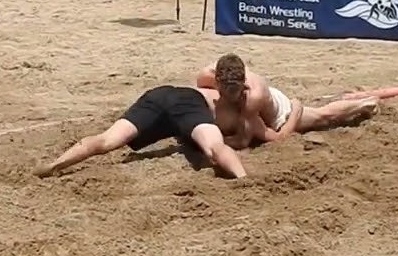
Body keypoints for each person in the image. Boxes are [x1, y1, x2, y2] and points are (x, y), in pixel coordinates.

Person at [33, 85, 247, 179]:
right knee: (214, 148)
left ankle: (55, 164)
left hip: (159, 95)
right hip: (189, 103)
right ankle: (243, 178)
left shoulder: (211, 84)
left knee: (106, 140)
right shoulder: (248, 100)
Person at [194, 54, 379, 146]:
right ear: (217, 81)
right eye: (227, 93)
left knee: (322, 116)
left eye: (236, 93)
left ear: (244, 84)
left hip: (279, 113)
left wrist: (295, 113)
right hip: (262, 100)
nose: (232, 98)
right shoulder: (206, 76)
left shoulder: (251, 99)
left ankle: (364, 104)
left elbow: (251, 140)